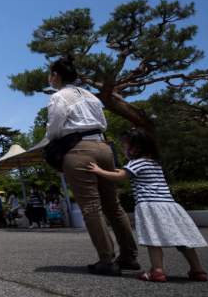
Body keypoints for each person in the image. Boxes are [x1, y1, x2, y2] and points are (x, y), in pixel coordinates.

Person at [46, 56, 138, 275]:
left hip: (79, 149)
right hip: (103, 146)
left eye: (50, 74)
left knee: (91, 206)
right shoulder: (90, 95)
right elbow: (103, 123)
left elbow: (54, 129)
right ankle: (129, 256)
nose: (49, 79)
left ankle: (107, 259)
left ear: (56, 76)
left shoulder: (59, 97)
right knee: (113, 205)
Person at [88, 128, 208, 282]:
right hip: (170, 206)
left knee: (154, 240)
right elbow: (125, 171)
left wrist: (98, 170)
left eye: (125, 147)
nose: (124, 150)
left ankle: (157, 271)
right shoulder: (154, 163)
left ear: (136, 149)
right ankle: (198, 270)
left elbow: (119, 176)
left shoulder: (136, 163)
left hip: (150, 206)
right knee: (184, 240)